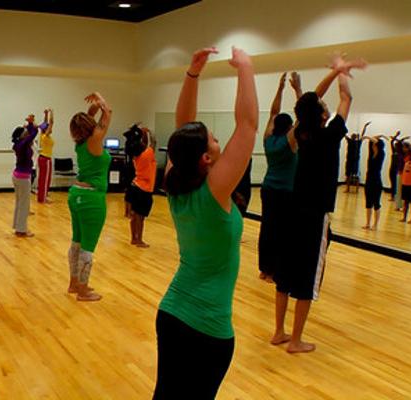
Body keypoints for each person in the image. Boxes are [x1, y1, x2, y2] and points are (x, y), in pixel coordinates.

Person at [154, 46, 258, 399]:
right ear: (205, 158)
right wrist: (245, 68)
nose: (220, 141)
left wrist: (193, 73)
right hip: (208, 329)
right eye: (215, 139)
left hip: (171, 314)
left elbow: (183, 129)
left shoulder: (176, 182)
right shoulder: (214, 190)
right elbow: (247, 125)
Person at [272, 53, 366, 354]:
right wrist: (341, 73)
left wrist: (336, 69)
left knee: (286, 273)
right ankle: (296, 340)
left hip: (292, 210)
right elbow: (345, 97)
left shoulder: (301, 131)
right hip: (314, 215)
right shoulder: (330, 135)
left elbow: (313, 99)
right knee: (306, 276)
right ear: (324, 116)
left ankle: (279, 332)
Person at [66, 91, 113, 302]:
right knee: (88, 246)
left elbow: (92, 120)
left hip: (75, 194)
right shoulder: (94, 140)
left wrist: (92, 107)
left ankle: (74, 283)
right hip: (91, 198)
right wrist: (101, 100)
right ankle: (83, 290)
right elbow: (107, 113)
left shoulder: (81, 142)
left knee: (76, 241)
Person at [258, 72, 301, 282]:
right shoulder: (289, 142)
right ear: (289, 127)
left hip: (268, 190)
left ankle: (264, 270)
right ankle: (274, 272)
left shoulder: (268, 139)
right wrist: (298, 90)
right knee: (282, 233)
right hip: (285, 193)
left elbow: (273, 112)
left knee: (267, 229)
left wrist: (280, 89)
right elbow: (304, 116)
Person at [127, 126, 157, 248]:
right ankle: (139, 239)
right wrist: (148, 132)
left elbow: (144, 144)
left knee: (134, 215)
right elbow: (153, 142)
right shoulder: (148, 153)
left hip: (135, 186)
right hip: (144, 189)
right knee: (141, 217)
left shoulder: (136, 155)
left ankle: (134, 238)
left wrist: (141, 134)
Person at [362, 136, 385, 229]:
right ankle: (367, 223)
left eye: (374, 144)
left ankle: (375, 225)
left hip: (377, 182)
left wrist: (368, 137)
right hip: (369, 181)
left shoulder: (381, 154)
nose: (372, 146)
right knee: (368, 203)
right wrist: (375, 137)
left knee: (376, 204)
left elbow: (377, 142)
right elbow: (373, 142)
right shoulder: (371, 154)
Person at [343, 121, 368, 193]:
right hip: (351, 161)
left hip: (354, 161)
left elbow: (362, 135)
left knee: (355, 176)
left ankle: (354, 189)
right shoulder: (353, 141)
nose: (353, 136)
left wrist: (365, 127)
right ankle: (348, 189)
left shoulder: (357, 142)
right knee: (349, 175)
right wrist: (365, 127)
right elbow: (344, 135)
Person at [37, 108, 55, 203]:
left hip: (42, 158)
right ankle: (43, 198)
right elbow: (51, 123)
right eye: (48, 127)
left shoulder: (42, 135)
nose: (50, 128)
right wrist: (51, 113)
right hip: (46, 159)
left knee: (42, 178)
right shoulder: (46, 136)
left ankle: (42, 197)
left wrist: (46, 114)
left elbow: (45, 123)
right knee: (45, 179)